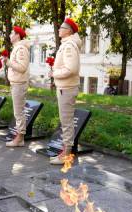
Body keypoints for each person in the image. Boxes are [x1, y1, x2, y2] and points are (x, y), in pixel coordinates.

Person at [49, 18, 82, 165]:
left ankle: (67, 154)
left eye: (62, 27)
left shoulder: (69, 46)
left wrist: (54, 73)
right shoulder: (66, 44)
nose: (59, 29)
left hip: (67, 88)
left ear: (68, 30)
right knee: (65, 121)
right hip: (64, 87)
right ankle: (65, 150)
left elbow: (71, 69)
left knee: (67, 122)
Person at [3, 26, 30, 147]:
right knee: (18, 111)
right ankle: (19, 136)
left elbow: (22, 67)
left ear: (18, 35)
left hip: (19, 83)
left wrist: (8, 62)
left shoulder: (21, 49)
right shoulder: (17, 48)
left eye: (12, 33)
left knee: (19, 112)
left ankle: (20, 138)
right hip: (16, 83)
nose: (9, 35)